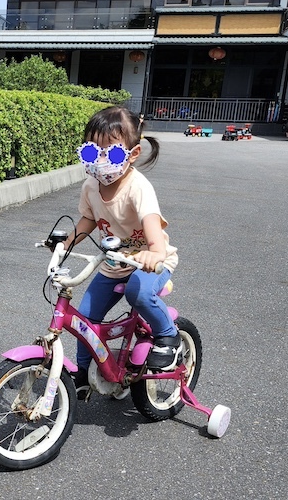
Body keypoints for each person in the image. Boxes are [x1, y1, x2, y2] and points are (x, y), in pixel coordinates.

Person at [64, 105, 180, 398]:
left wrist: (153, 252)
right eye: (92, 152)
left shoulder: (138, 188)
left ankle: (168, 336)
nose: (101, 161)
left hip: (150, 261)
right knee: (85, 320)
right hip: (114, 262)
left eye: (112, 153)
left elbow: (152, 227)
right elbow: (89, 219)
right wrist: (65, 243)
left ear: (133, 153)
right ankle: (82, 372)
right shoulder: (90, 185)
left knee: (138, 293)